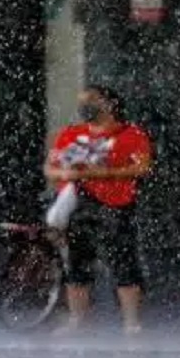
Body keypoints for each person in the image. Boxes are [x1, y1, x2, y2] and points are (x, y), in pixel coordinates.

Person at [44, 85, 153, 335]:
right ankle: (76, 320)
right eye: (83, 101)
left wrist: (104, 173)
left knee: (123, 262)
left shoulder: (130, 134)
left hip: (115, 204)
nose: (85, 106)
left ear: (109, 104)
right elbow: (50, 168)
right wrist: (66, 174)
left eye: (92, 100)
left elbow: (142, 168)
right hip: (79, 203)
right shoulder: (71, 134)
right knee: (76, 263)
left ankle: (131, 322)